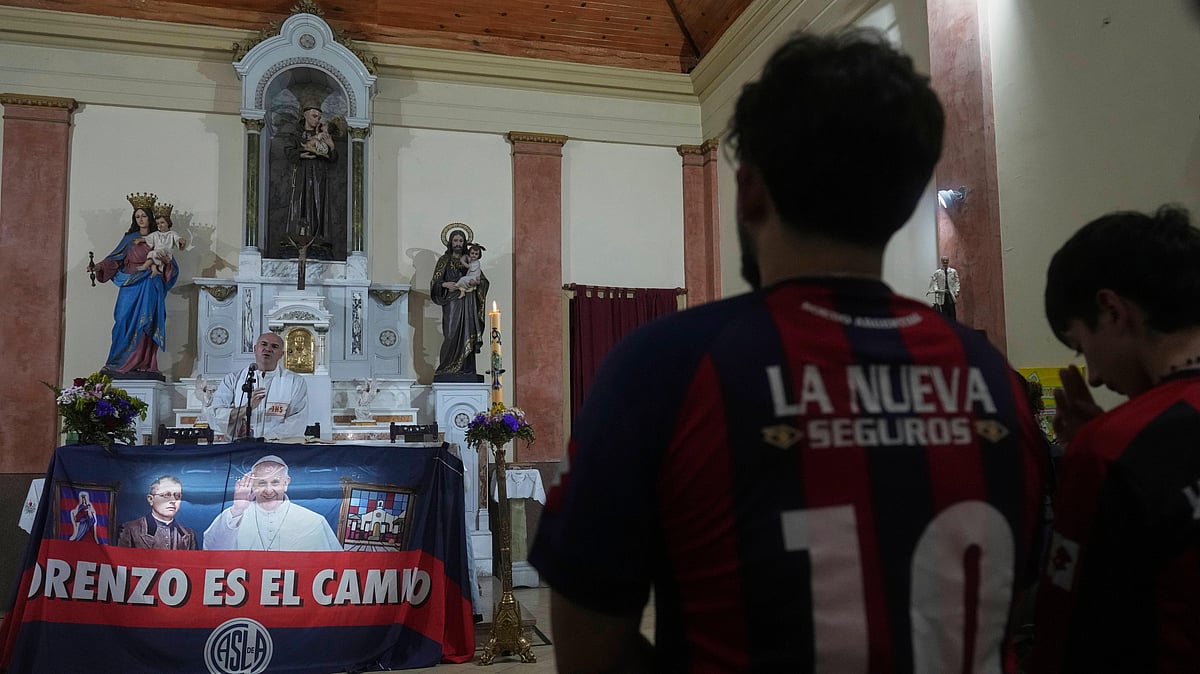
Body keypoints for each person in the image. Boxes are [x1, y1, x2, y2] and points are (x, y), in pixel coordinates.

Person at [529, 29, 1049, 672]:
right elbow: (1015, 605)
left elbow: (590, 647)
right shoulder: (991, 374)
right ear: (905, 197)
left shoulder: (664, 368)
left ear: (750, 191)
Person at [1031, 205, 1200, 673]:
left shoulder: (1112, 449)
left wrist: (1096, 453)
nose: (1095, 377)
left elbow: (1067, 638)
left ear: (1111, 310)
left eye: (1081, 347)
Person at [94, 193, 177, 376]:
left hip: (150, 284)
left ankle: (142, 362)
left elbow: (171, 266)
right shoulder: (129, 239)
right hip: (130, 282)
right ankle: (116, 362)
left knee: (146, 321)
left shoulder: (159, 237)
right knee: (122, 319)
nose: (141, 219)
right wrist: (99, 266)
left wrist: (166, 262)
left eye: (144, 216)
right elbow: (114, 259)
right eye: (137, 216)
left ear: (150, 217)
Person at [203, 454, 341, 551]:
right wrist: (237, 510)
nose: (269, 490)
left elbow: (333, 563)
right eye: (262, 483)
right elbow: (212, 550)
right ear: (253, 484)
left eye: (275, 482)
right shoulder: (233, 516)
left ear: (286, 483)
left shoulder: (312, 521)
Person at [209, 332, 310, 440]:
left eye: (274, 346)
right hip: (239, 446)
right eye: (264, 344)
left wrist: (264, 439)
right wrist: (245, 408)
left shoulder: (295, 382)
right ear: (255, 349)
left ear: (282, 354)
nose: (268, 349)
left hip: (276, 446)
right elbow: (215, 416)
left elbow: (297, 422)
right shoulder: (233, 380)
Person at [430, 228, 489, 377]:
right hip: (452, 301)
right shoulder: (444, 260)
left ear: (465, 243)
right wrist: (445, 284)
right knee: (451, 333)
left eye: (461, 241)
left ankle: (467, 369)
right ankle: (446, 368)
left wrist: (477, 283)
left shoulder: (470, 260)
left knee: (467, 333)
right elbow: (435, 281)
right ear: (450, 242)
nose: (458, 243)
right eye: (455, 240)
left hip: (468, 302)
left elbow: (482, 280)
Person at [285, 104, 337, 246]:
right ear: (305, 115)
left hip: (319, 176)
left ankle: (317, 237)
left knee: (318, 204)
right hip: (301, 173)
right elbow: (289, 151)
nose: (317, 119)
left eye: (319, 117)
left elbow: (333, 157)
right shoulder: (296, 134)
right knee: (300, 203)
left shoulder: (323, 134)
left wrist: (331, 146)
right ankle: (297, 238)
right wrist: (301, 155)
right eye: (314, 116)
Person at [116, 475, 198, 550]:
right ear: (151, 499)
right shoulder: (130, 530)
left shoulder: (189, 535)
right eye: (166, 495)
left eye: (177, 496)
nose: (173, 500)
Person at [137, 205, 187, 278]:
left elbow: (177, 239)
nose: (160, 225)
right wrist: (140, 240)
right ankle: (154, 270)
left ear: (168, 223)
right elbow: (148, 239)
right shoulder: (156, 234)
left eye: (162, 222)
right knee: (153, 256)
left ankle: (145, 266)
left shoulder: (172, 234)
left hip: (166, 252)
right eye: (158, 223)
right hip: (157, 252)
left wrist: (181, 241)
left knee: (154, 254)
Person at [927, 255, 961, 319]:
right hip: (942, 293)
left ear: (948, 261)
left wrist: (957, 291)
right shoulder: (938, 272)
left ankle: (952, 324)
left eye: (946, 260)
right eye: (944, 260)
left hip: (950, 294)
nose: (945, 261)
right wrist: (936, 289)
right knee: (944, 312)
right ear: (941, 261)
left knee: (952, 311)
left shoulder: (953, 271)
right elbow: (935, 281)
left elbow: (957, 281)